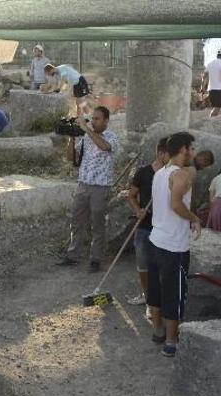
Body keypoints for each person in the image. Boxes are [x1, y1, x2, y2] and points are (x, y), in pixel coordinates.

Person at [147, 132, 201, 358]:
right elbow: (176, 205)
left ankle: (158, 331)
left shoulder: (160, 172)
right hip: (173, 245)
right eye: (192, 148)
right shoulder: (179, 175)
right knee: (174, 294)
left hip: (156, 239)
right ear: (184, 149)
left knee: (156, 290)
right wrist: (194, 218)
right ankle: (171, 341)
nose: (194, 153)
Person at [56, 106, 120, 272]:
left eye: (97, 119)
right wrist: (73, 137)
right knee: (77, 222)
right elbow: (71, 158)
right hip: (83, 184)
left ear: (106, 121)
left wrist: (86, 130)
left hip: (101, 187)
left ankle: (96, 259)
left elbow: (104, 147)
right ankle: (73, 255)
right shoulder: (86, 137)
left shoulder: (112, 137)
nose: (93, 121)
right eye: (93, 118)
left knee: (97, 224)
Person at [126, 137, 169, 309]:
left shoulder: (172, 175)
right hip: (144, 227)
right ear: (160, 153)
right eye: (170, 154)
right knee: (143, 264)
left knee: (163, 265)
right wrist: (137, 210)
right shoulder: (143, 173)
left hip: (164, 228)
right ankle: (147, 294)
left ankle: (161, 297)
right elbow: (131, 195)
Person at [201, 49, 221, 117]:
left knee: (216, 106)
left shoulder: (210, 64)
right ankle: (211, 118)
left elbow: (204, 76)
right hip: (218, 88)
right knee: (218, 106)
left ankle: (214, 117)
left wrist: (202, 87)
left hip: (211, 89)